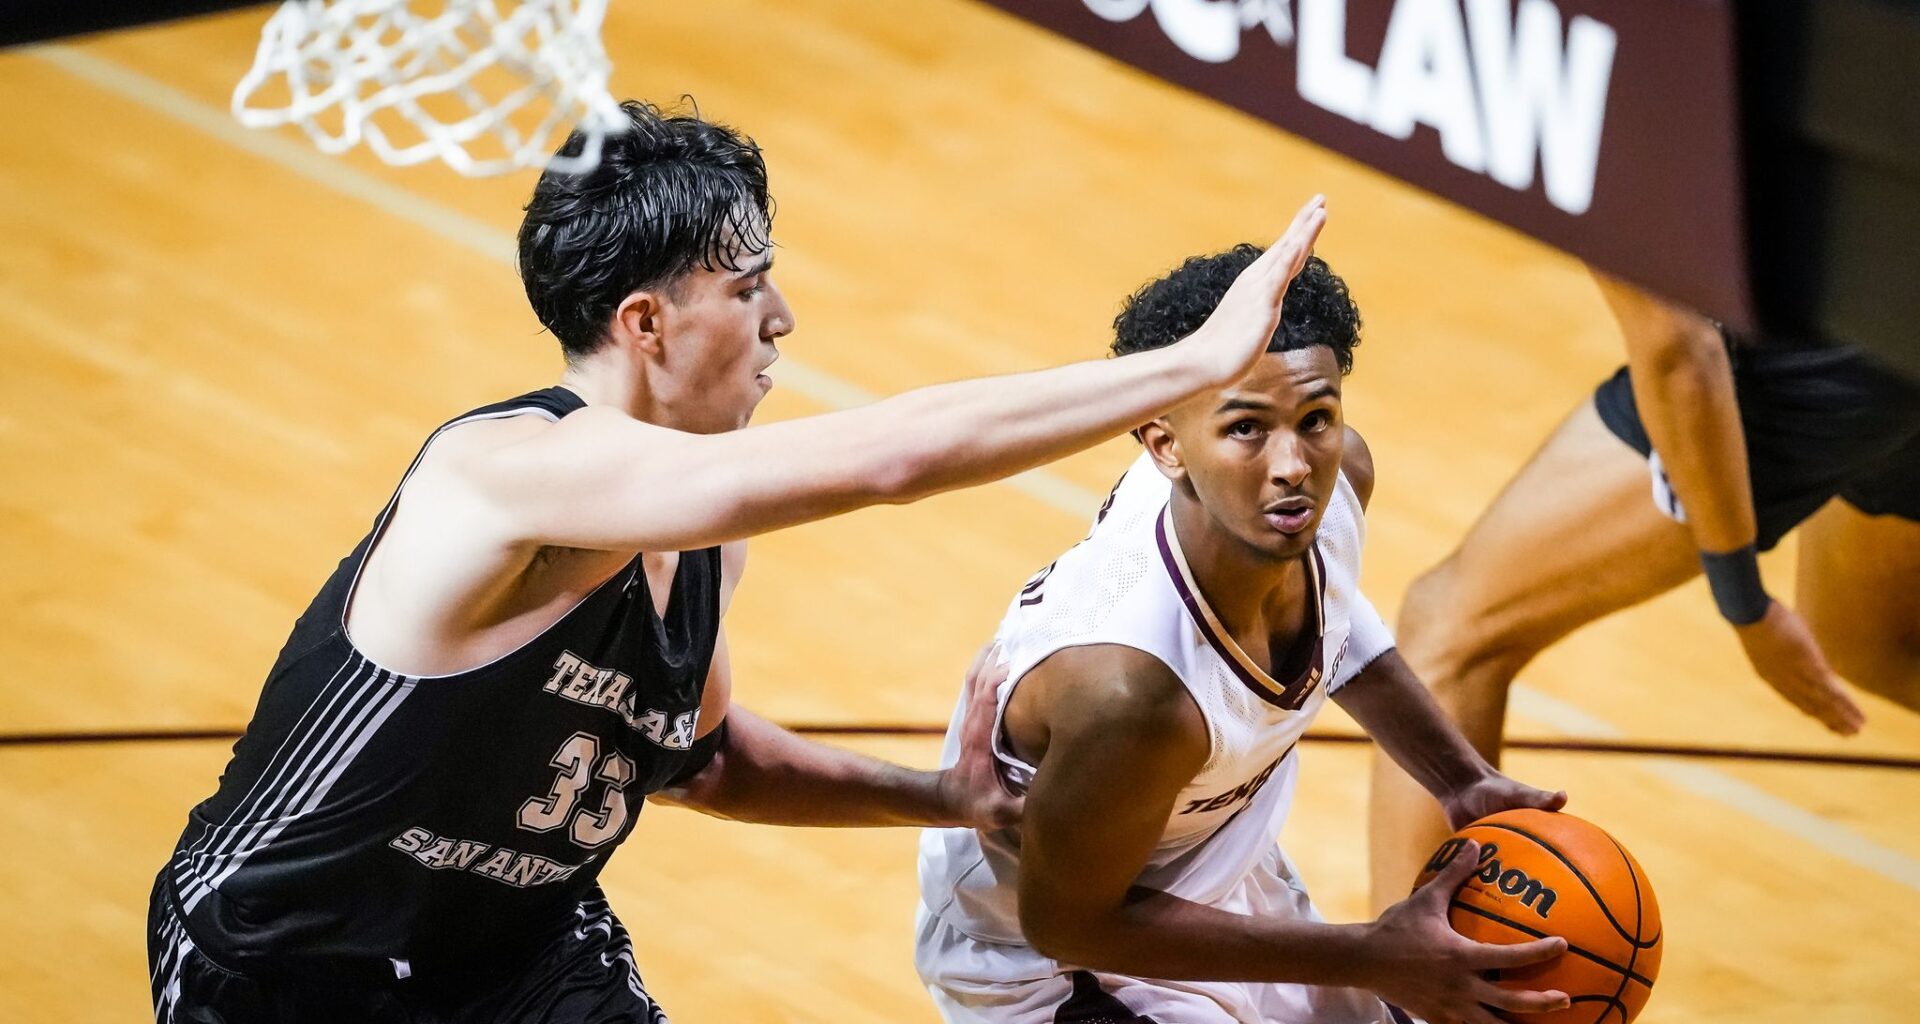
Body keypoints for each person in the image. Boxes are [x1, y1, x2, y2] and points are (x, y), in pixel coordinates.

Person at [146, 101, 1333, 1023]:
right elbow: (893, 456)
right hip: (287, 956)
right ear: (647, 324)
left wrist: (944, 797)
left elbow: (702, 761)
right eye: (747, 284)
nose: (783, 319)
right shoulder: (503, 474)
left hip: (515, 949)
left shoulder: (706, 531)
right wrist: (1193, 361)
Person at [915, 245, 1572, 1024]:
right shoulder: (1130, 688)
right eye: (1247, 429)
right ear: (1165, 445)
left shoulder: (1326, 494)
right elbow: (1066, 922)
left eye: (1316, 419)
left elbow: (1333, 618)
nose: (1294, 464)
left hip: (1214, 878)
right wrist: (1371, 953)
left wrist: (1458, 778)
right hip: (1056, 970)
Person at [1366, 272, 1920, 909]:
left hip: (1834, 357)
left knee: (1448, 633)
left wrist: (1743, 601)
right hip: (1886, 294)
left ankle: (1410, 989)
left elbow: (1677, 350)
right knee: (1872, 645)